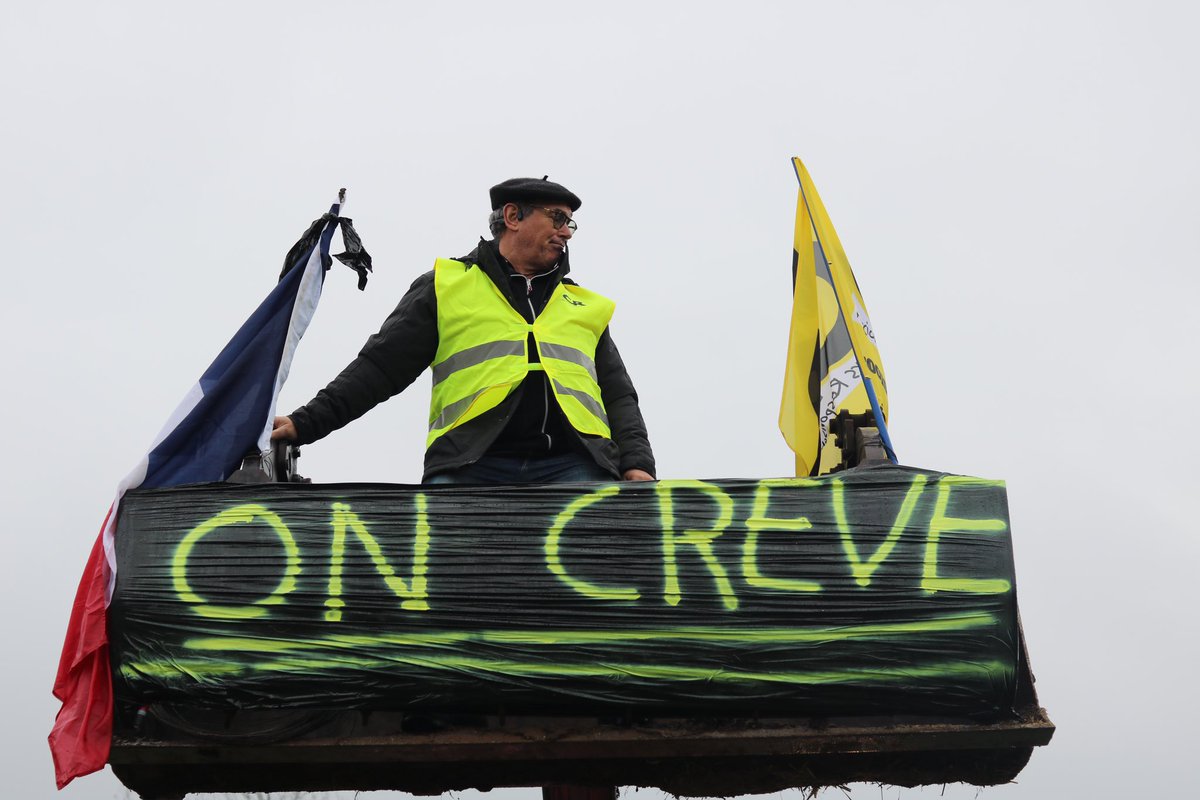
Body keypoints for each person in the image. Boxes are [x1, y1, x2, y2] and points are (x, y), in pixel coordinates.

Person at [271, 176, 655, 485]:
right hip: (469, 468)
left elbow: (618, 395)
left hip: (576, 469)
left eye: (569, 223)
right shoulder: (447, 286)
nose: (566, 232)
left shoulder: (587, 306)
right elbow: (379, 369)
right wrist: (306, 422)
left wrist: (638, 463)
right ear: (513, 217)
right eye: (556, 218)